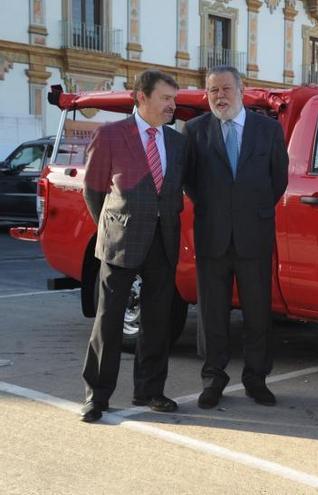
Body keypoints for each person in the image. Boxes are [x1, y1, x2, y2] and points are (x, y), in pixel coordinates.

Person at [80, 69, 186, 422]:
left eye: (174, 98)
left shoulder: (176, 142)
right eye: (166, 98)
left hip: (163, 241)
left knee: (158, 322)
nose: (173, 105)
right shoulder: (110, 135)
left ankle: (150, 391)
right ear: (142, 97)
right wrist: (111, 228)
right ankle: (97, 396)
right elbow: (93, 190)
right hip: (121, 241)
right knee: (108, 322)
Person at [183, 65, 289, 409]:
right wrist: (218, 210)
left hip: (253, 236)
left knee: (257, 313)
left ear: (241, 91)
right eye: (212, 90)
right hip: (212, 236)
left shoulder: (268, 131)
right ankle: (213, 379)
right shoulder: (195, 131)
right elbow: (191, 182)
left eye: (226, 89)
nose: (219, 96)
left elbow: (279, 180)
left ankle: (256, 380)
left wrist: (249, 210)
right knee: (212, 314)